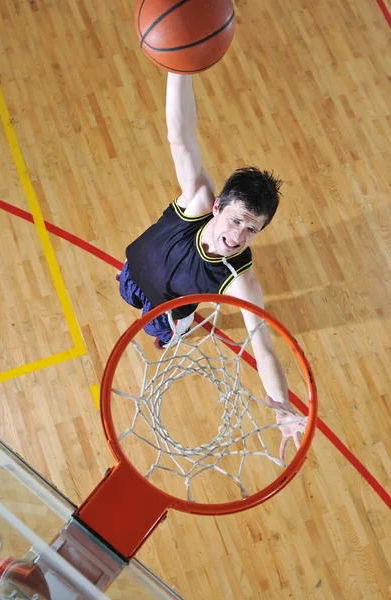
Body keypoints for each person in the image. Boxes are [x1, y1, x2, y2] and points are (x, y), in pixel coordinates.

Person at [118, 73, 305, 461]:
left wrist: (284, 407)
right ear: (218, 207)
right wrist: (179, 68)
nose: (238, 236)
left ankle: (170, 334)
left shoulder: (240, 279)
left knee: (164, 330)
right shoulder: (199, 200)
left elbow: (263, 348)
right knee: (128, 288)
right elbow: (180, 136)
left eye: (252, 230)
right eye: (236, 220)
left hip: (167, 314)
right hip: (132, 274)